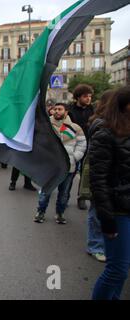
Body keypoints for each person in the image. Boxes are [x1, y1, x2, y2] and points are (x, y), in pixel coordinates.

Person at [91, 86, 130, 300]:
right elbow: (98, 180)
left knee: (122, 270)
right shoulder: (104, 133)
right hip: (117, 211)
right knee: (117, 269)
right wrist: (107, 219)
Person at [34, 103, 86, 224]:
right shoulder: (46, 126)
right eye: (55, 109)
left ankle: (60, 213)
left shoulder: (75, 128)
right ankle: (40, 212)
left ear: (66, 112)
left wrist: (74, 157)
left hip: (69, 167)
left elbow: (82, 145)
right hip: (50, 167)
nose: (57, 111)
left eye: (60, 109)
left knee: (64, 193)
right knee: (45, 192)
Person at [85, 90, 115, 263]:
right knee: (97, 210)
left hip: (117, 179)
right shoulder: (101, 125)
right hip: (102, 175)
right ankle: (95, 245)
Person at [68, 84, 94, 210]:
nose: (88, 99)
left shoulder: (92, 110)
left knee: (85, 172)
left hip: (89, 144)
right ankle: (65, 195)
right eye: (85, 96)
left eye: (90, 96)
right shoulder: (70, 111)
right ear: (78, 97)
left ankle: (81, 197)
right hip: (73, 145)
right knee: (70, 171)